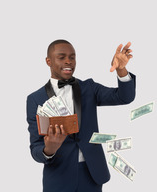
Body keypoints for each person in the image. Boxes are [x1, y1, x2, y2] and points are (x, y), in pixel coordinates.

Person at [26, 39, 136, 192]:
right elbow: (35, 148)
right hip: (59, 177)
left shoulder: (89, 88)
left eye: (72, 57)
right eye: (62, 57)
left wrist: (121, 70)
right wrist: (49, 149)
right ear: (48, 61)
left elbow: (124, 97)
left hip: (92, 174)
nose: (68, 61)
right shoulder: (35, 99)